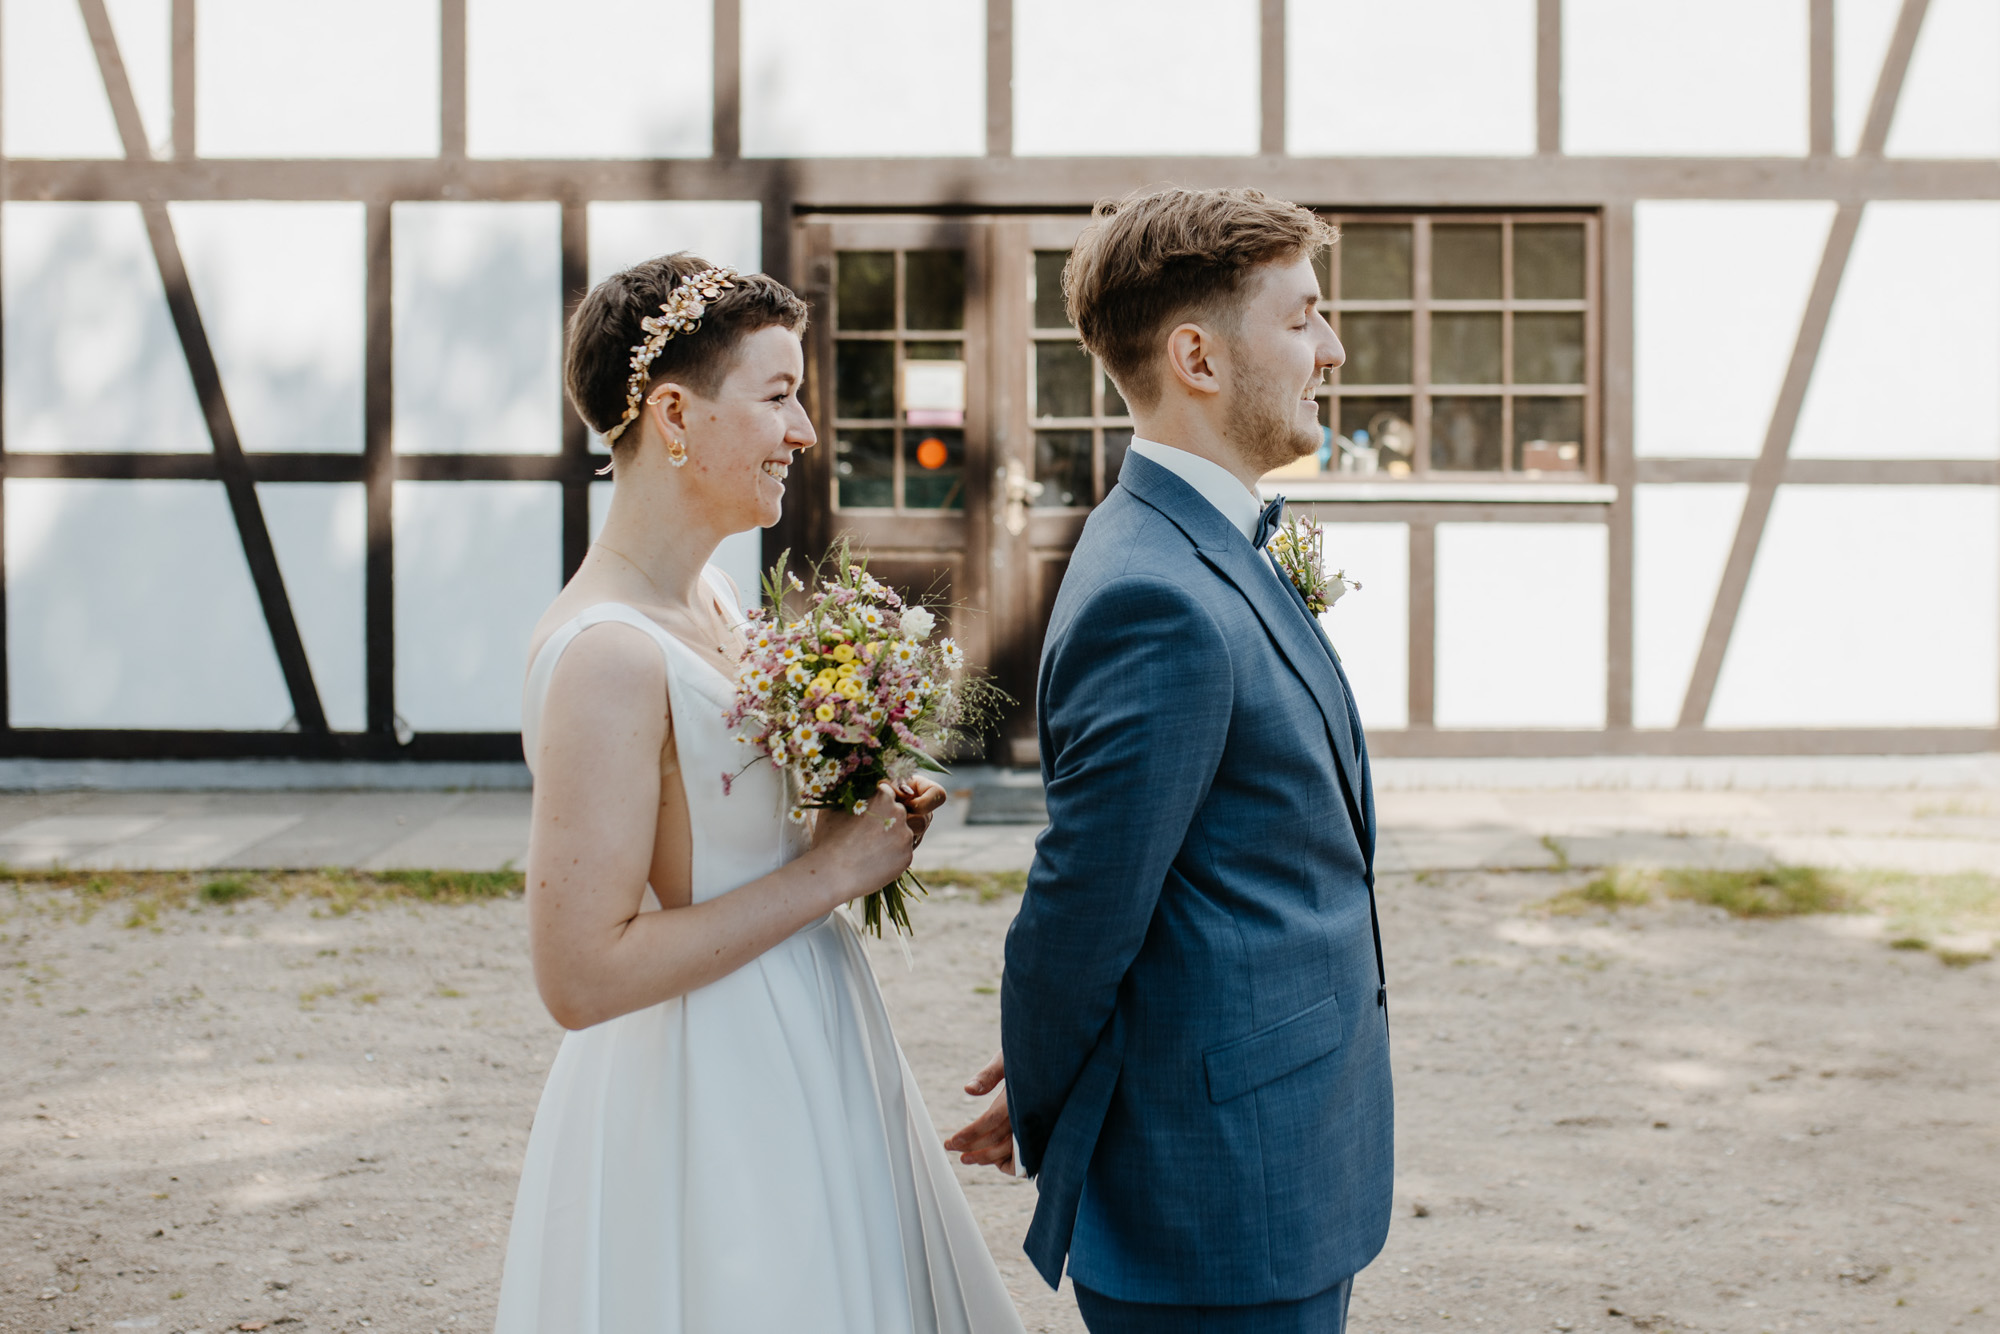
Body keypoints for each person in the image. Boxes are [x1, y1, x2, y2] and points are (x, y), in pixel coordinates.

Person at [495, 252, 1025, 1334]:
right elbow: (579, 974)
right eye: (779, 395)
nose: (804, 433)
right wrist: (834, 870)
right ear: (674, 413)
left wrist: (848, 794)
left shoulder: (722, 600)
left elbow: (732, 834)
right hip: (705, 1084)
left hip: (811, 1029)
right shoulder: (605, 652)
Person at [946, 189, 1393, 1332]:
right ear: (1195, 354)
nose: (1331, 351)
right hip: (1219, 1201)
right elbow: (1077, 908)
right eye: (1301, 318)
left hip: (1279, 1154)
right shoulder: (1155, 591)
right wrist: (1048, 1089)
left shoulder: (1208, 539)